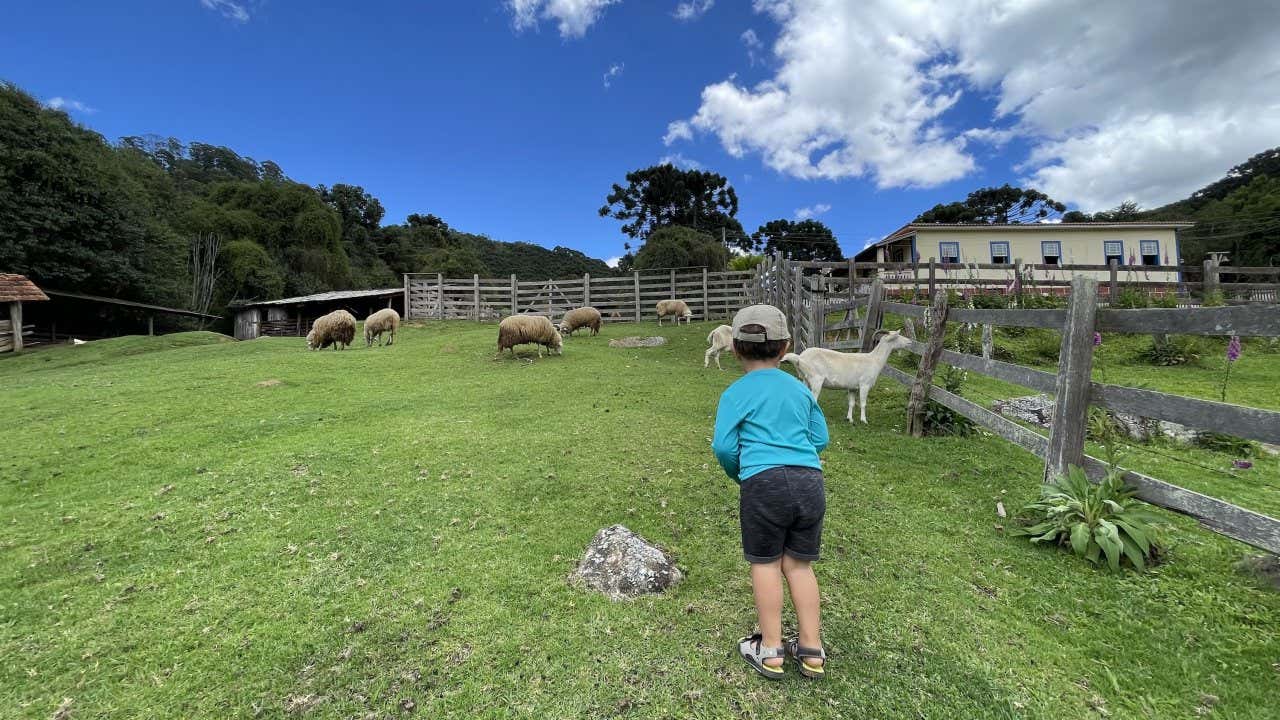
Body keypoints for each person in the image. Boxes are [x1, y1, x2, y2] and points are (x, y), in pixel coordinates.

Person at [712, 304, 829, 680]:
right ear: (786, 347)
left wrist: (743, 474)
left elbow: (725, 448)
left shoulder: (735, 393)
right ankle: (812, 650)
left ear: (734, 349)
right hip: (810, 482)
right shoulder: (800, 389)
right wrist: (798, 461)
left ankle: (771, 650)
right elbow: (820, 438)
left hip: (763, 483)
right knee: (799, 565)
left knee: (765, 564)